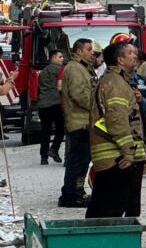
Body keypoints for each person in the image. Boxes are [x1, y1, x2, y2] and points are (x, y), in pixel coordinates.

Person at [87, 40, 146, 218]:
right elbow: (117, 119)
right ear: (120, 60)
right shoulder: (116, 83)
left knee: (109, 208)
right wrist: (128, 152)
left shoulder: (117, 81)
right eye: (130, 53)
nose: (135, 56)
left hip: (115, 158)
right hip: (118, 160)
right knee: (111, 211)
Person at [59, 37, 96, 208]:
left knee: (83, 159)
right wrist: (98, 106)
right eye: (89, 49)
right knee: (77, 160)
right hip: (79, 123)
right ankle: (70, 195)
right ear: (79, 51)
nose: (92, 52)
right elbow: (78, 94)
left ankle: (77, 191)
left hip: (85, 122)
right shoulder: (74, 69)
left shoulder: (83, 68)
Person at [37, 49, 65, 166]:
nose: (62, 58)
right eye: (60, 56)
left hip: (43, 105)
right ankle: (54, 149)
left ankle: (44, 157)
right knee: (61, 128)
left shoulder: (42, 72)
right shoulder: (60, 70)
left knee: (45, 131)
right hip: (55, 103)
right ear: (53, 58)